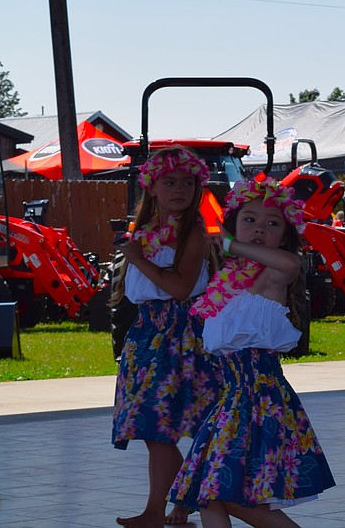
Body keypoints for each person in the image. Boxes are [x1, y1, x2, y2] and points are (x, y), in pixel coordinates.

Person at [171, 177, 334, 527]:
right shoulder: (228, 282)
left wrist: (235, 246)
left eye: (272, 224)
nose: (260, 228)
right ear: (233, 224)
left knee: (218, 491)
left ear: (284, 236)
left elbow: (292, 266)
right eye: (250, 220)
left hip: (261, 399)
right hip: (233, 398)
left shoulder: (271, 277)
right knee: (208, 492)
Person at [112, 147, 219, 528]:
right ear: (151, 187)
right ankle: (161, 508)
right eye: (169, 182)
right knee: (154, 428)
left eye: (187, 183)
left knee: (167, 425)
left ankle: (178, 504)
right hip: (146, 333)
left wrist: (137, 258)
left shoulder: (194, 231)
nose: (179, 189)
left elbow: (179, 288)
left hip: (181, 335)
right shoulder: (143, 231)